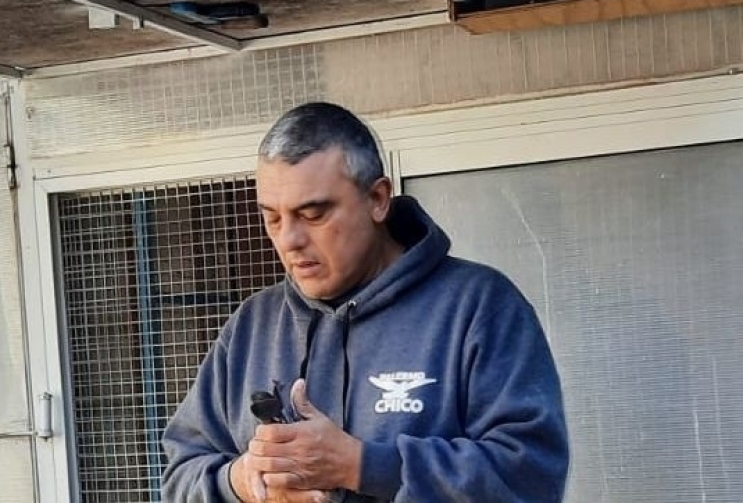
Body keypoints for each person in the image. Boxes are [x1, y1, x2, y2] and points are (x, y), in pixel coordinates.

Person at [161, 101, 569, 503]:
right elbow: (180, 475)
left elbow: (530, 477)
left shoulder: (478, 308)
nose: (289, 239)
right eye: (272, 217)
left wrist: (361, 465)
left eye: (313, 214)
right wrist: (245, 482)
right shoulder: (252, 327)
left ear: (378, 198)